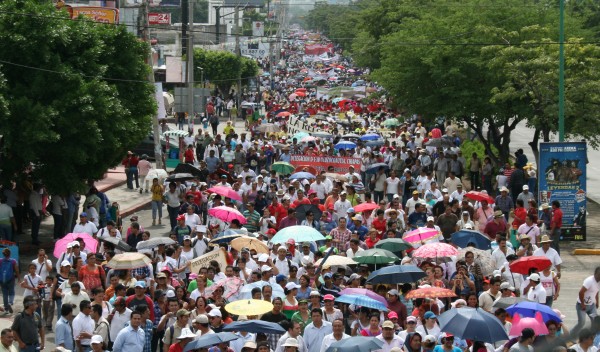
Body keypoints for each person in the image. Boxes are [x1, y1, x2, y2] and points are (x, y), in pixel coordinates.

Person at [572, 267, 600, 338]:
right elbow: (581, 292)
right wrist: (583, 304)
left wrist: (597, 301)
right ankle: (572, 334)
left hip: (591, 305)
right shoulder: (589, 281)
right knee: (581, 323)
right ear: (595, 274)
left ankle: (592, 336)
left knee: (595, 321)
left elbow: (596, 291)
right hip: (582, 306)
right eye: (599, 275)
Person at [0, 248, 18, 313]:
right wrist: (19, 278)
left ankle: (6, 309)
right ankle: (10, 303)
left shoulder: (0, 260)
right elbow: (16, 270)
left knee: (5, 294)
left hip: (2, 279)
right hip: (11, 279)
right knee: (11, 291)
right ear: (10, 254)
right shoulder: (13, 261)